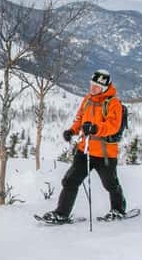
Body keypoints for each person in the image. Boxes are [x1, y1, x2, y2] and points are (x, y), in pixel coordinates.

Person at [39, 69, 127, 223]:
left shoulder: (113, 103)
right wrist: (71, 130)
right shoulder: (87, 99)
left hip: (105, 153)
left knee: (110, 184)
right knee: (70, 181)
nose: (93, 88)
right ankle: (61, 214)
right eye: (92, 85)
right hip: (84, 150)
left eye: (97, 87)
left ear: (105, 88)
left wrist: (95, 128)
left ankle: (118, 210)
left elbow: (113, 125)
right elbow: (80, 118)